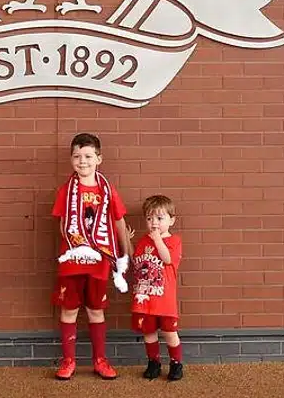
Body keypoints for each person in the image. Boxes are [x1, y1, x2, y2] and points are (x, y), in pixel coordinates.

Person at [50, 132, 133, 380]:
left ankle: (100, 360)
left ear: (99, 159)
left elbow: (119, 221)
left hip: (99, 262)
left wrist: (126, 253)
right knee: (69, 310)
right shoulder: (66, 191)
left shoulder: (107, 190)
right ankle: (68, 361)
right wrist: (80, 243)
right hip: (72, 261)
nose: (82, 161)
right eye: (77, 156)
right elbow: (63, 225)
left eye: (88, 156)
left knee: (96, 310)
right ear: (71, 160)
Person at [131, 194, 184, 381]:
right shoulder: (143, 241)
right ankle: (153, 362)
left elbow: (167, 258)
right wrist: (128, 242)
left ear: (171, 220)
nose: (154, 223)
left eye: (159, 218)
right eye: (149, 218)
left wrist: (157, 240)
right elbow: (136, 262)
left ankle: (176, 364)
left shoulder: (174, 241)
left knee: (170, 333)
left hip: (164, 300)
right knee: (149, 333)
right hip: (145, 298)